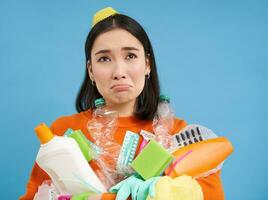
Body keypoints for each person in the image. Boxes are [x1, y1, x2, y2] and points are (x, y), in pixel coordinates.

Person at [20, 7, 225, 200]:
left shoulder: (179, 137)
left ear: (147, 64)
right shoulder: (64, 133)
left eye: (130, 56)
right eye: (104, 59)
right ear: (91, 71)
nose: (119, 72)